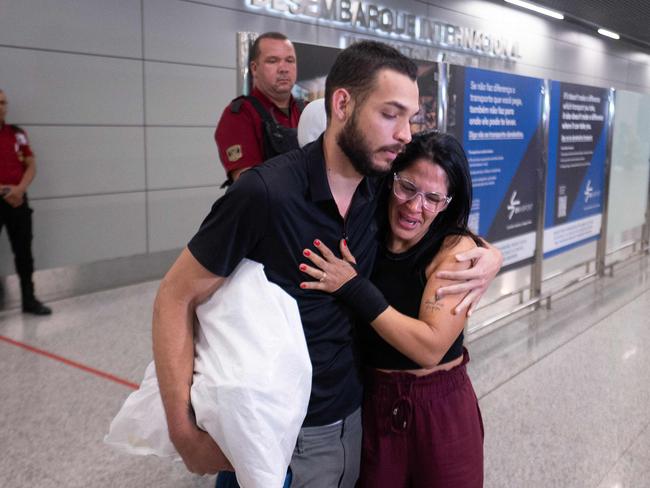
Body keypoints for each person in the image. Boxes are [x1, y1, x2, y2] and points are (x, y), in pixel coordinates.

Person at [152, 41, 501, 488]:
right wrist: (182, 432)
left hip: (354, 420)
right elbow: (174, 295)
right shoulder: (266, 193)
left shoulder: (378, 191)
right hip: (278, 429)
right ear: (342, 103)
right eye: (391, 114)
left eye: (410, 118)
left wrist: (489, 255)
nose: (406, 134)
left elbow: (433, 224)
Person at [299, 131, 487, 487]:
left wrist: (354, 287)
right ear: (390, 180)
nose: (415, 207)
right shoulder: (366, 232)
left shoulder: (455, 250)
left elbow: (430, 347)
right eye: (407, 188)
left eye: (433, 198)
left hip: (440, 410)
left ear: (448, 202)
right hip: (371, 401)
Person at [215, 32, 304, 183]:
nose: (283, 68)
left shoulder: (307, 111)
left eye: (290, 60)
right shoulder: (240, 115)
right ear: (254, 68)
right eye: (273, 61)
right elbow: (249, 184)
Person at [0, 89, 51, 316]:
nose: (1, 107)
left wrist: (19, 190)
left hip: (18, 200)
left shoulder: (17, 134)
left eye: (3, 103)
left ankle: (29, 300)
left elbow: (30, 165)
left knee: (24, 252)